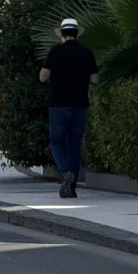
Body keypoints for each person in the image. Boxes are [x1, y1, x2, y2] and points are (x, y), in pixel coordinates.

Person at [38, 17, 98, 198]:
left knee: (56, 140)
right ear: (77, 34)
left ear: (62, 35)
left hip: (59, 104)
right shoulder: (87, 52)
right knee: (74, 144)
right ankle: (70, 189)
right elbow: (95, 79)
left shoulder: (55, 51)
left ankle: (66, 172)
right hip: (80, 104)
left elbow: (43, 76)